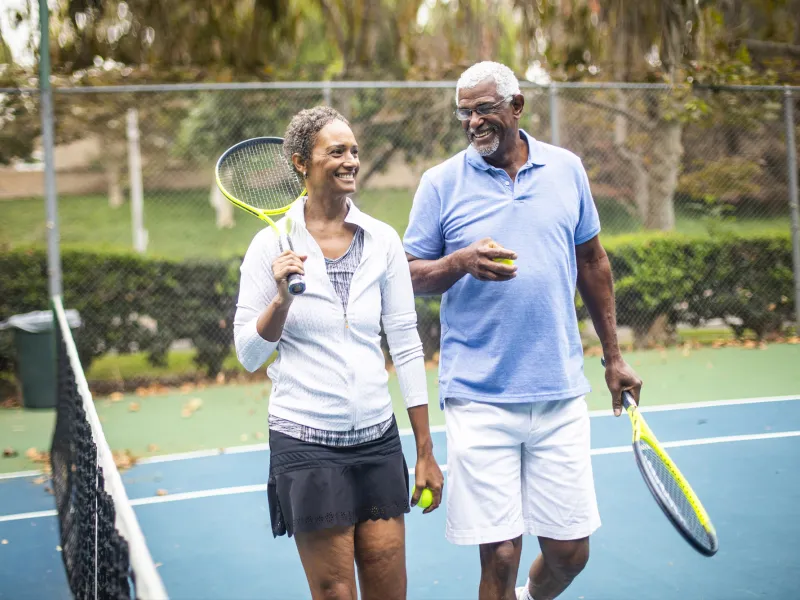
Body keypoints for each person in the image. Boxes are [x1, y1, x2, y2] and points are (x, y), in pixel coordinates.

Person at [403, 61, 643, 600]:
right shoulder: (440, 183)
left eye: (484, 109)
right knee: (501, 555)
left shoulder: (566, 169)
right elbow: (408, 274)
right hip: (479, 395)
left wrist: (613, 357)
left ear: (517, 106)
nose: (473, 122)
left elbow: (592, 261)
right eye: (464, 112)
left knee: (569, 553)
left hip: (558, 390)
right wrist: (459, 262)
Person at [233, 106, 443, 600]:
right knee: (335, 593)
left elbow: (405, 343)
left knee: (390, 590)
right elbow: (249, 354)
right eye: (336, 152)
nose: (351, 161)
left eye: (354, 151)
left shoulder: (382, 240)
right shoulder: (268, 247)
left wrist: (425, 450)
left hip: (377, 439)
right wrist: (281, 298)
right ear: (301, 162)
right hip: (305, 440)